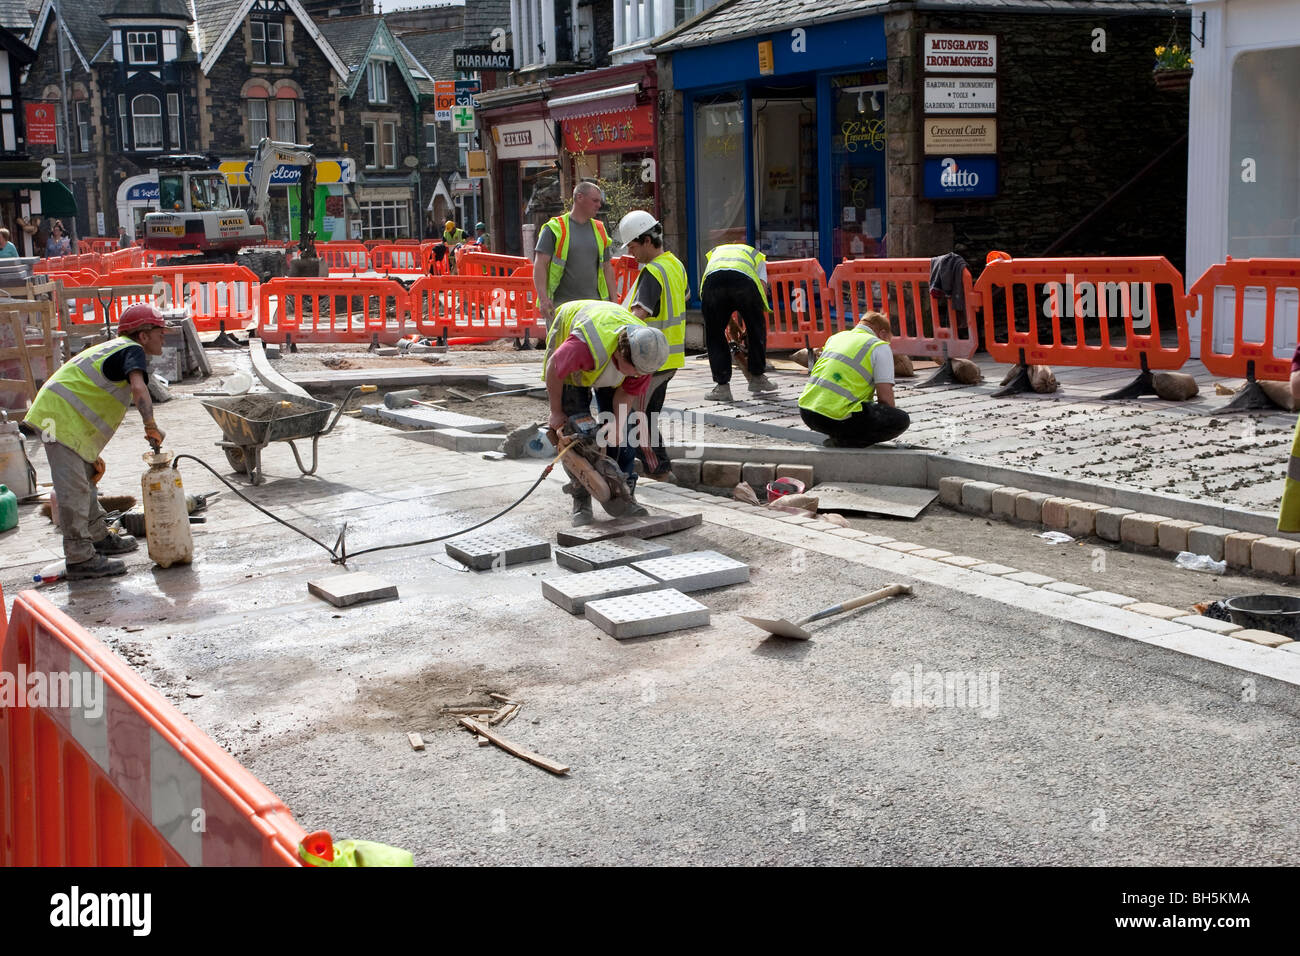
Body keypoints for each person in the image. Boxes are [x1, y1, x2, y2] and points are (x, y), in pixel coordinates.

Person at [24, 304, 170, 579]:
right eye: (159, 331)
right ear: (142, 335)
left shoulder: (118, 348)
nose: (164, 336)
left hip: (61, 418)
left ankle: (99, 536)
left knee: (85, 481)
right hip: (57, 418)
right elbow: (139, 389)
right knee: (74, 490)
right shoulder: (131, 350)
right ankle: (80, 559)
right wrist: (150, 426)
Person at [542, 299, 668, 526]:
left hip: (606, 357)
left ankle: (625, 496)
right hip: (572, 355)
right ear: (620, 354)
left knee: (625, 434)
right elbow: (555, 367)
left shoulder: (645, 358)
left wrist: (617, 426)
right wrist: (556, 411)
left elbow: (625, 395)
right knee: (577, 435)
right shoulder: (584, 347)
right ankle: (581, 500)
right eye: (635, 371)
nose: (639, 376)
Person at [618, 209, 688, 480]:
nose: (632, 253)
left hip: (651, 360)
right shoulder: (675, 265)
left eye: (633, 247)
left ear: (647, 240)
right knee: (646, 415)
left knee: (639, 417)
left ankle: (658, 470)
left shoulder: (653, 272)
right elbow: (683, 298)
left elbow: (638, 316)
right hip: (668, 357)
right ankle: (658, 468)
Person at [797, 311, 910, 448]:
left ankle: (838, 435)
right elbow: (886, 398)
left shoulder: (836, 337)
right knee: (900, 420)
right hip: (834, 417)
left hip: (807, 412)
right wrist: (888, 418)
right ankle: (847, 442)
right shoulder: (878, 346)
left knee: (853, 408)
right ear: (882, 333)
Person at [533, 181, 617, 323]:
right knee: (561, 346)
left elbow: (607, 267)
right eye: (595, 200)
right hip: (561, 308)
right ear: (579, 197)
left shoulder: (600, 229)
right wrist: (543, 300)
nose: (599, 205)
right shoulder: (554, 228)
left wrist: (614, 302)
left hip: (594, 308)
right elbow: (540, 264)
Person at [700, 242, 775, 400]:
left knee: (714, 334)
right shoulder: (757, 256)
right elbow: (761, 287)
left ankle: (722, 388)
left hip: (713, 283)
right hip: (744, 283)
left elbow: (717, 278)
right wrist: (753, 318)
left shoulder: (715, 252)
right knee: (756, 329)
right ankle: (757, 378)